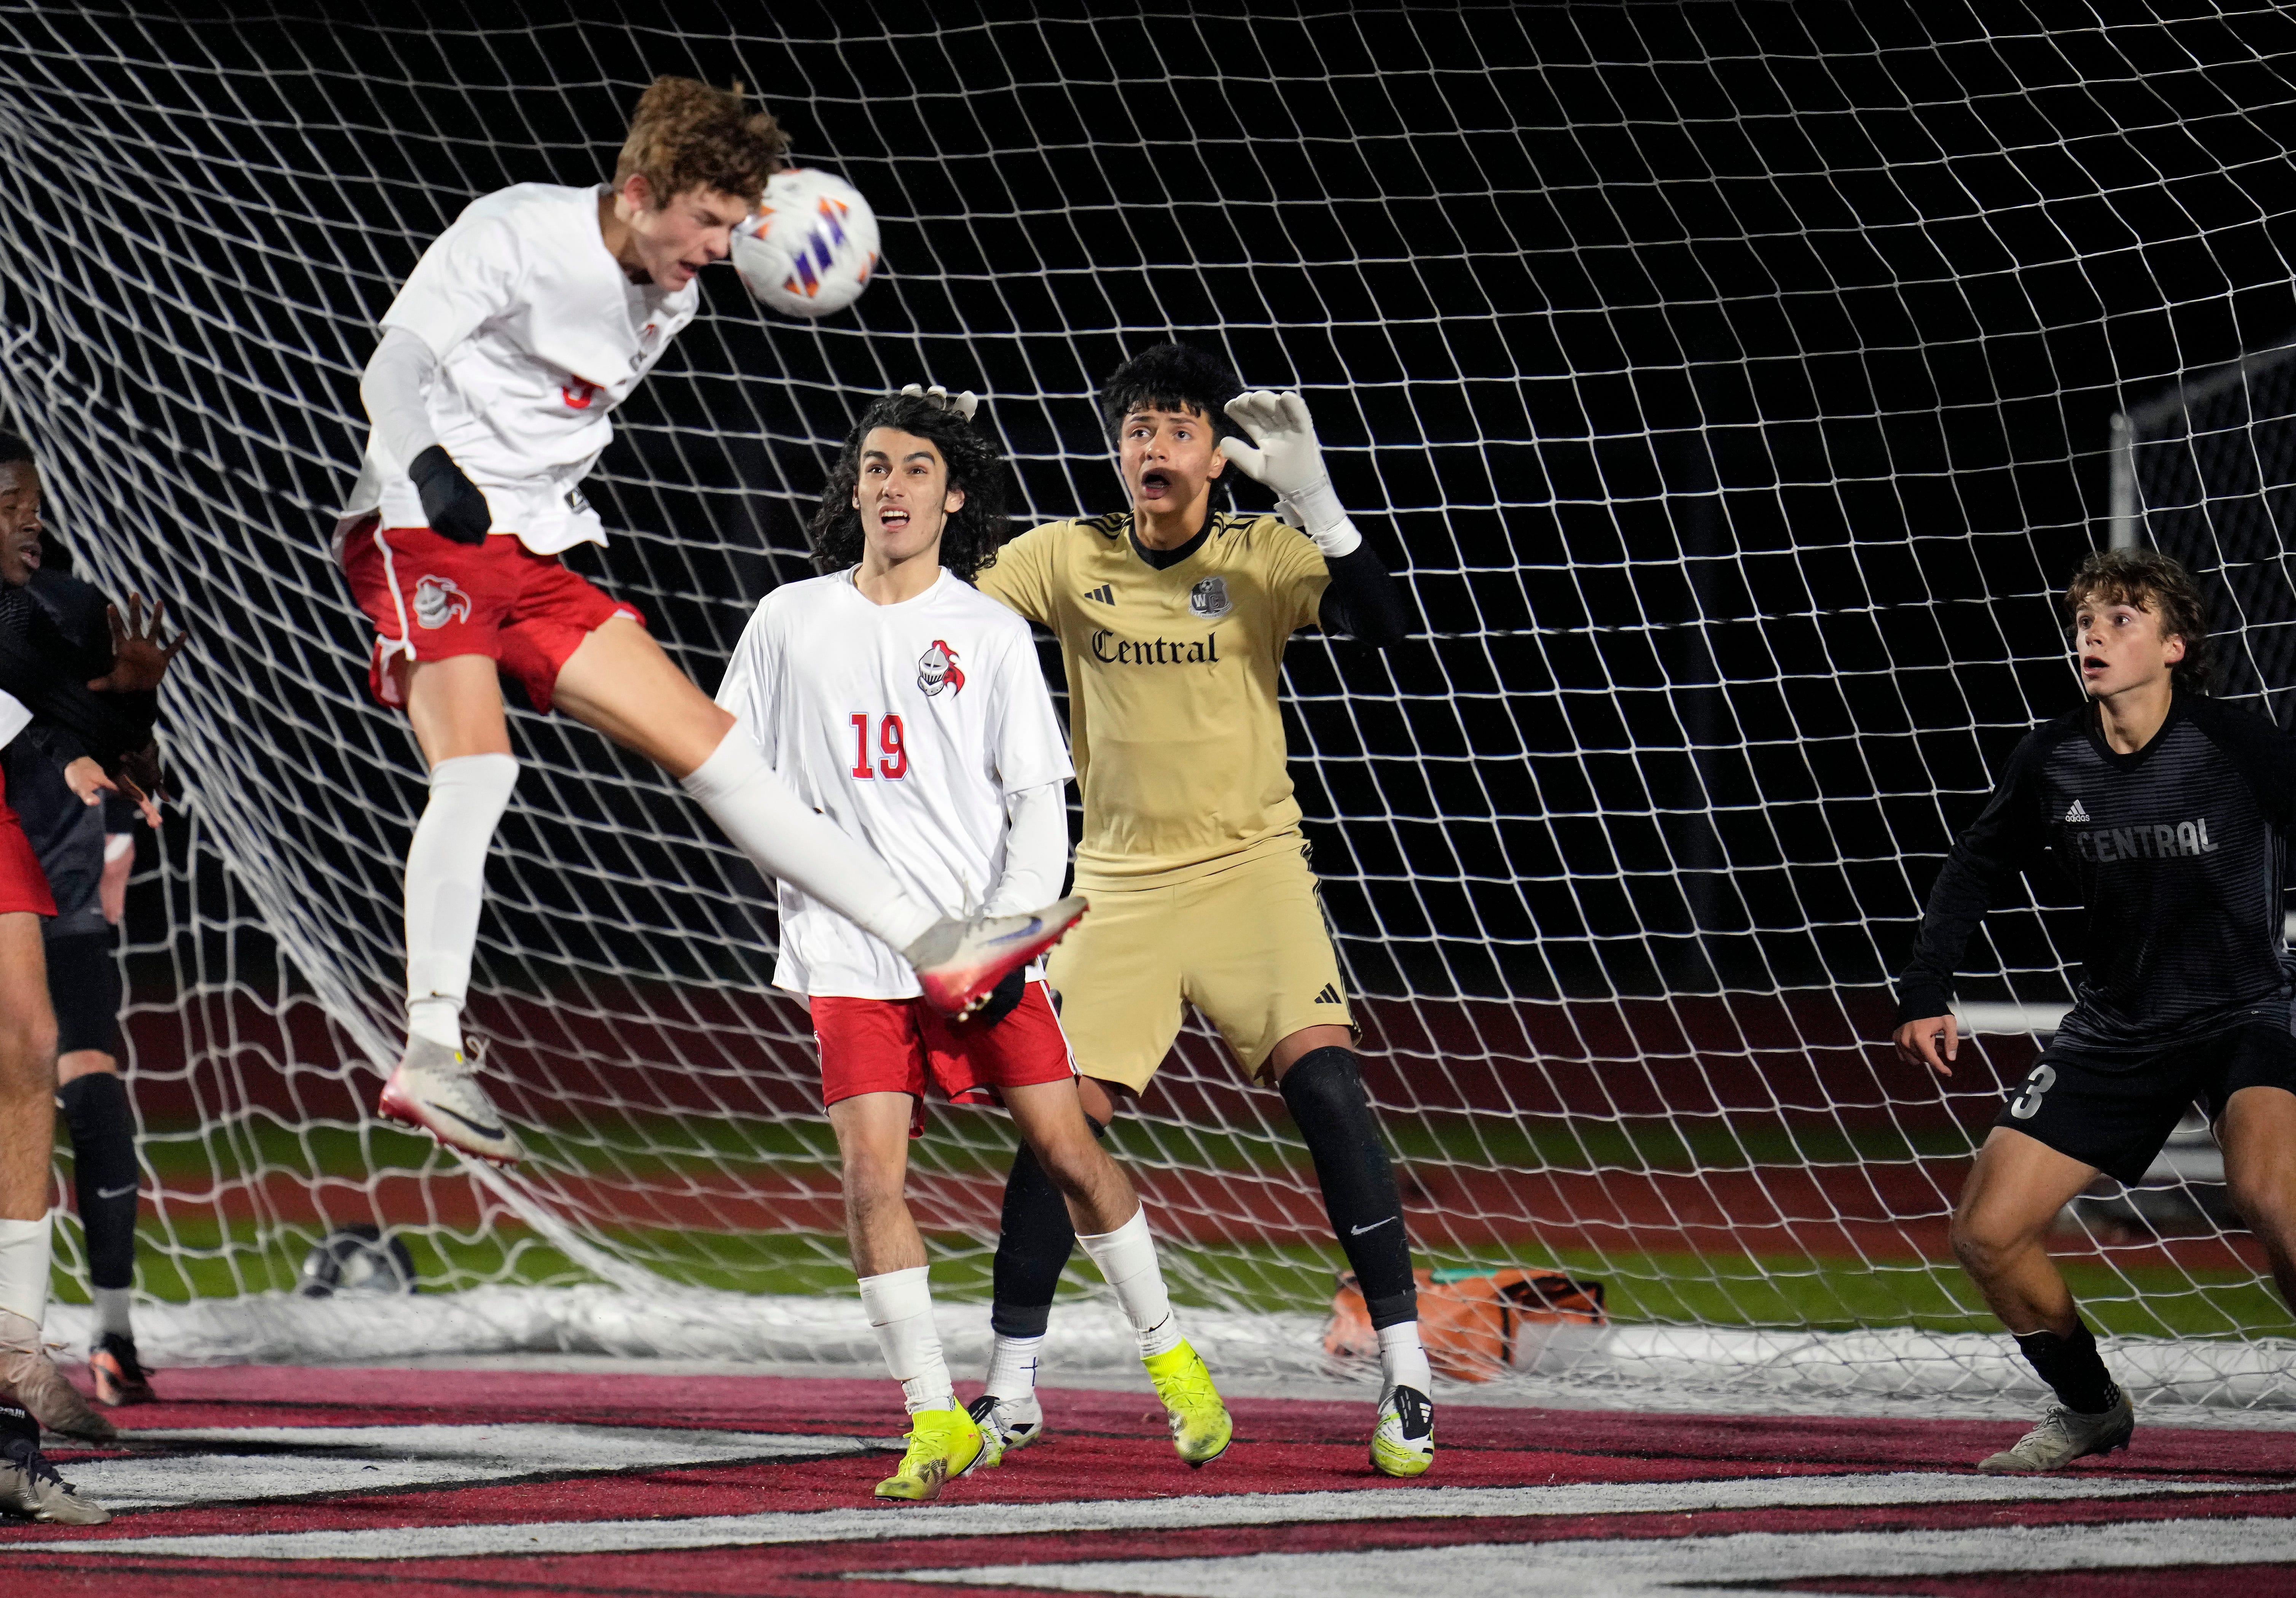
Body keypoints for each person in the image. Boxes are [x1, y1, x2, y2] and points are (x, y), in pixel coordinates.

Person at [334, 78, 1080, 1165]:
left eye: (740, 228)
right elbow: (390, 368)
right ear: (639, 194)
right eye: (711, 224)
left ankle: (937, 945)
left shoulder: (670, 299)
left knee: (729, 759)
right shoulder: (513, 232)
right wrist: (434, 467)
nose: (725, 251)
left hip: (538, 554)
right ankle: (432, 1047)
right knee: (478, 770)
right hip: (420, 529)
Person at [715, 391, 1228, 1501]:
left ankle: (1172, 1357)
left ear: (955, 497)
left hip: (983, 957)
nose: (890, 486)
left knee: (1069, 1154)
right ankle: (933, 1416)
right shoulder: (787, 620)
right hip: (850, 960)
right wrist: (796, 884)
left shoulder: (986, 631)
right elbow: (730, 779)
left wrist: (1003, 938)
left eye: (914, 469)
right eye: (874, 467)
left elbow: (1040, 805)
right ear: (853, 489)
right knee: (869, 1180)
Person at [932, 346, 1431, 1478]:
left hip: (1251, 869)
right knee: (1060, 1131)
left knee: (1329, 1088)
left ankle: (1407, 1375)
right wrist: (941, 474)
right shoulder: (1068, 556)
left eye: (1173, 429)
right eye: (1136, 430)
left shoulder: (1263, 555)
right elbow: (936, 610)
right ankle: (1010, 1389)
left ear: (1216, 455)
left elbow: (1390, 629)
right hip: (1116, 886)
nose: (1150, 447)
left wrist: (1318, 502)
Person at [1895, 548, 2296, 1473]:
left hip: (2243, 1014)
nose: (2093, 635)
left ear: (2173, 648)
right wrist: (1923, 991)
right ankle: (2089, 1409)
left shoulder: (2236, 746)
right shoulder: (2053, 756)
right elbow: (1974, 869)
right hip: (2118, 1029)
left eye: (2120, 620)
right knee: (1985, 1234)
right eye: (2084, 621)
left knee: (2274, 1201)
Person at [0, 430, 179, 1523]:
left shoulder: (33, 615)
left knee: (36, 1061)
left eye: (35, 503)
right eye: (13, 503)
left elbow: (105, 746)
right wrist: (104, 716)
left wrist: (125, 705)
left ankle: (17, 1387)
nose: (33, 521)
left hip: (20, 845)